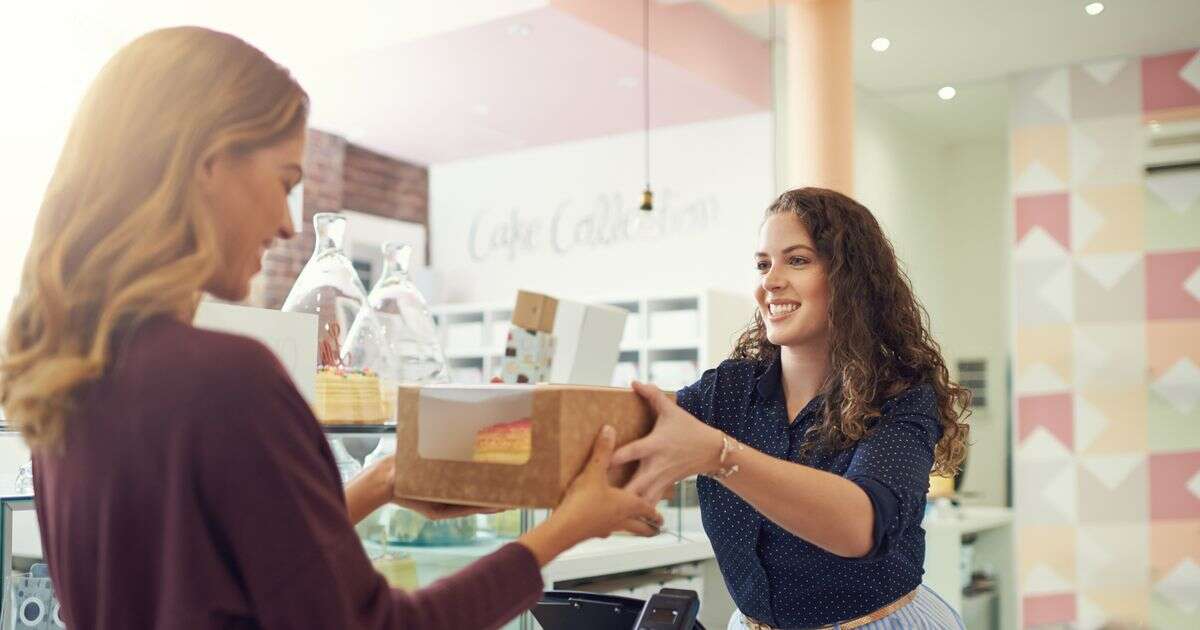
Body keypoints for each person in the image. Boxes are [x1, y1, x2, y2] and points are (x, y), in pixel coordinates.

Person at [0, 26, 661, 630]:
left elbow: (217, 575)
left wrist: (378, 485)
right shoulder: (227, 377)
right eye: (285, 181)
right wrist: (563, 531)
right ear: (208, 164)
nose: (289, 224)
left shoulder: (68, 374)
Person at [613, 188, 971, 629]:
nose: (770, 281)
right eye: (764, 264)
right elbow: (620, 434)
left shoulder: (900, 393)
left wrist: (720, 456)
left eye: (797, 260)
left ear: (849, 278)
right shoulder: (725, 391)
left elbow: (862, 525)